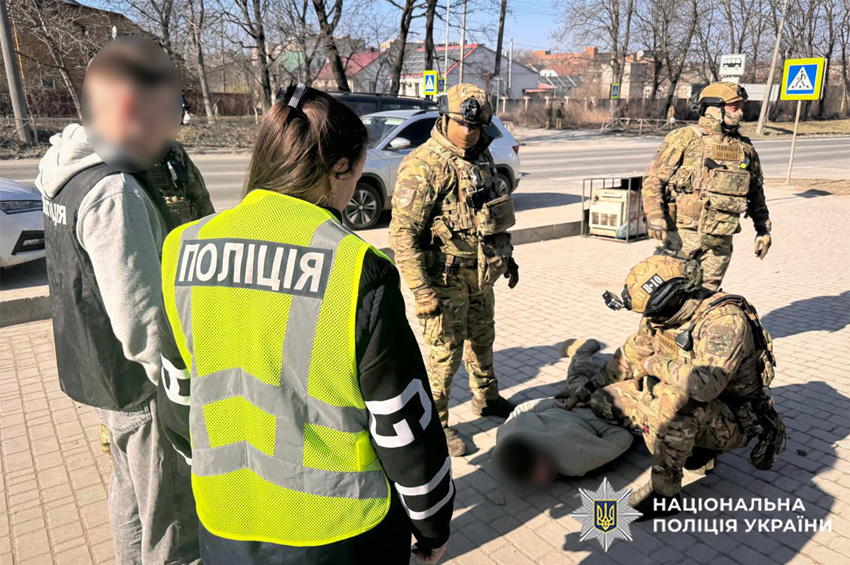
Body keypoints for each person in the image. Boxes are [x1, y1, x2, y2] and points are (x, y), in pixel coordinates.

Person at [156, 83, 454, 564]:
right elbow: (402, 424)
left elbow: (176, 396)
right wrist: (432, 521)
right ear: (339, 169)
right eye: (357, 171)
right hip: (336, 533)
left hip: (223, 518)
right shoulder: (356, 267)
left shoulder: (183, 248)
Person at [36, 36, 200, 563]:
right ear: (131, 108)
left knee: (132, 494)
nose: (177, 126)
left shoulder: (67, 168)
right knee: (171, 520)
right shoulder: (115, 193)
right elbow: (142, 318)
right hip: (143, 386)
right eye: (174, 111)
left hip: (100, 369)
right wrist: (178, 387)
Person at [557, 255, 786, 520]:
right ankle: (691, 448)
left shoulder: (724, 322)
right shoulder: (659, 316)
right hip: (693, 407)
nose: (649, 319)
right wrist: (583, 392)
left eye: (654, 312)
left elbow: (704, 386)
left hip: (731, 418)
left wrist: (653, 364)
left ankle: (664, 494)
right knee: (603, 400)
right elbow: (628, 358)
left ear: (677, 296)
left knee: (673, 399)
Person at [389, 83, 520, 457]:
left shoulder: (480, 157)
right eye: (461, 124)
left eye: (475, 127)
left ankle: (486, 398)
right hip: (443, 281)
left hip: (480, 276)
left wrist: (505, 258)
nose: (467, 132)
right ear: (444, 118)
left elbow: (490, 216)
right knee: (444, 355)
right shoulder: (425, 165)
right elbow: (402, 235)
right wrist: (421, 291)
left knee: (483, 340)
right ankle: (438, 424)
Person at [642, 82, 772, 290]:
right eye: (734, 107)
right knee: (668, 296)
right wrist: (655, 217)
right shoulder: (685, 138)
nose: (740, 112)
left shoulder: (744, 148)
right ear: (714, 108)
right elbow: (653, 179)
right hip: (682, 237)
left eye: (741, 106)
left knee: (706, 296)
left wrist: (763, 230)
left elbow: (756, 191)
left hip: (720, 241)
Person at [493, 348, 633, 489]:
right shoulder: (578, 461)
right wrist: (587, 411)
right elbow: (621, 438)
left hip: (574, 405)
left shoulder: (507, 437)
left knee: (579, 378)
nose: (540, 481)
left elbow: (522, 408)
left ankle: (581, 352)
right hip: (599, 413)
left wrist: (561, 405)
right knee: (629, 383)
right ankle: (587, 355)